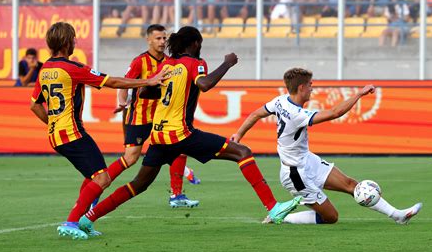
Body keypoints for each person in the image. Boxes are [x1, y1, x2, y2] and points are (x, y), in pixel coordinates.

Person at [78, 26, 302, 237]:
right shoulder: (195, 62)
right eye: (200, 44)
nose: (200, 48)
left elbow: (145, 92)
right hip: (181, 133)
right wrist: (227, 64)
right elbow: (204, 84)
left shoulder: (167, 65)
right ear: (195, 44)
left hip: (159, 135)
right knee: (242, 152)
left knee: (139, 184)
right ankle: (273, 208)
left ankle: (89, 217)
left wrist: (171, 92)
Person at [30, 22, 168, 240]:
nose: (75, 42)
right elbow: (112, 81)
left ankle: (82, 221)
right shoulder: (72, 68)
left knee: (93, 177)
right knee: (102, 179)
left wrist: (52, 123)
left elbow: (35, 105)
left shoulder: (45, 69)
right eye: (74, 38)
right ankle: (72, 221)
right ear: (67, 42)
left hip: (56, 134)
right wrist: (149, 81)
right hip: (73, 133)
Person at [231, 67, 422, 225]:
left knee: (351, 184)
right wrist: (359, 94)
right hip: (295, 173)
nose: (312, 90)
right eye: (310, 86)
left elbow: (255, 114)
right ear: (301, 87)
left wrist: (239, 134)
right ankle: (281, 216)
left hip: (306, 159)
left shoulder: (280, 101)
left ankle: (397, 215)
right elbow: (335, 112)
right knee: (331, 217)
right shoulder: (297, 115)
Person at [113, 24, 200, 208]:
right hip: (139, 117)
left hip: (162, 119)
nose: (162, 42)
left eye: (164, 38)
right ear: (149, 40)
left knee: (179, 150)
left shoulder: (172, 62)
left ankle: (177, 195)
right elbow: (125, 82)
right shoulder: (140, 61)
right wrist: (122, 101)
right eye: (158, 38)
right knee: (130, 158)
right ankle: (100, 184)